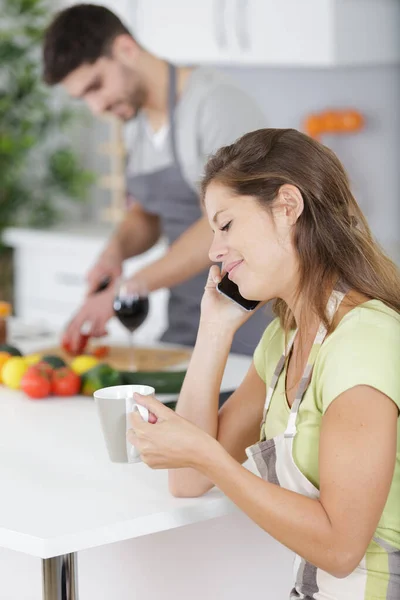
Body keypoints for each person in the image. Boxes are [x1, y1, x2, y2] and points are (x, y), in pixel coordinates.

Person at [127, 129, 400, 598]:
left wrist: (206, 455)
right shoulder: (284, 340)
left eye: (226, 224)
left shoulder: (364, 342)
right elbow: (188, 480)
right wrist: (213, 331)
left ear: (287, 207)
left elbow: (340, 548)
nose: (214, 250)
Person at [42, 3, 271, 354]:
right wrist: (114, 253)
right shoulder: (135, 124)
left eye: (96, 86)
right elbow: (149, 213)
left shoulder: (216, 105)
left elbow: (230, 223)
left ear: (126, 49)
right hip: (187, 324)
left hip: (249, 327)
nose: (96, 107)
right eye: (83, 98)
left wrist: (133, 287)